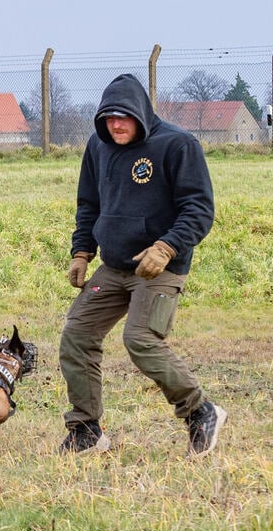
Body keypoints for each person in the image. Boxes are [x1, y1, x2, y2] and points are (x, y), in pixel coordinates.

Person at [58, 73, 225, 458]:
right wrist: (82, 251)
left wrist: (166, 247)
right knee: (76, 335)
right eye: (108, 118)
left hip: (159, 267)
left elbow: (199, 209)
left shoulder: (177, 145)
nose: (115, 125)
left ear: (141, 114)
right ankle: (86, 430)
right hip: (114, 266)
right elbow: (89, 204)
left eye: (123, 117)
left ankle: (200, 411)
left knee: (140, 338)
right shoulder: (98, 146)